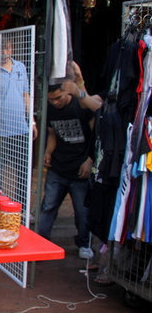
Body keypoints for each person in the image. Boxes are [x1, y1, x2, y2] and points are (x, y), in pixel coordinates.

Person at [38, 82, 95, 260]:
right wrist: (48, 152)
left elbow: (96, 135)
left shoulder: (82, 107)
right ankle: (41, 244)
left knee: (82, 211)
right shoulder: (51, 110)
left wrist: (90, 160)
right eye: (51, 99)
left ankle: (84, 243)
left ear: (67, 92)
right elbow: (53, 133)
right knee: (48, 206)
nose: (55, 102)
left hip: (80, 169)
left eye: (58, 98)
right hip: (58, 166)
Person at [0, 33, 37, 190]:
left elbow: (26, 96)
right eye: (1, 48)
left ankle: (21, 208)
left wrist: (31, 121)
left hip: (20, 130)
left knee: (24, 171)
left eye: (8, 48)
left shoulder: (21, 68)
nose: (5, 52)